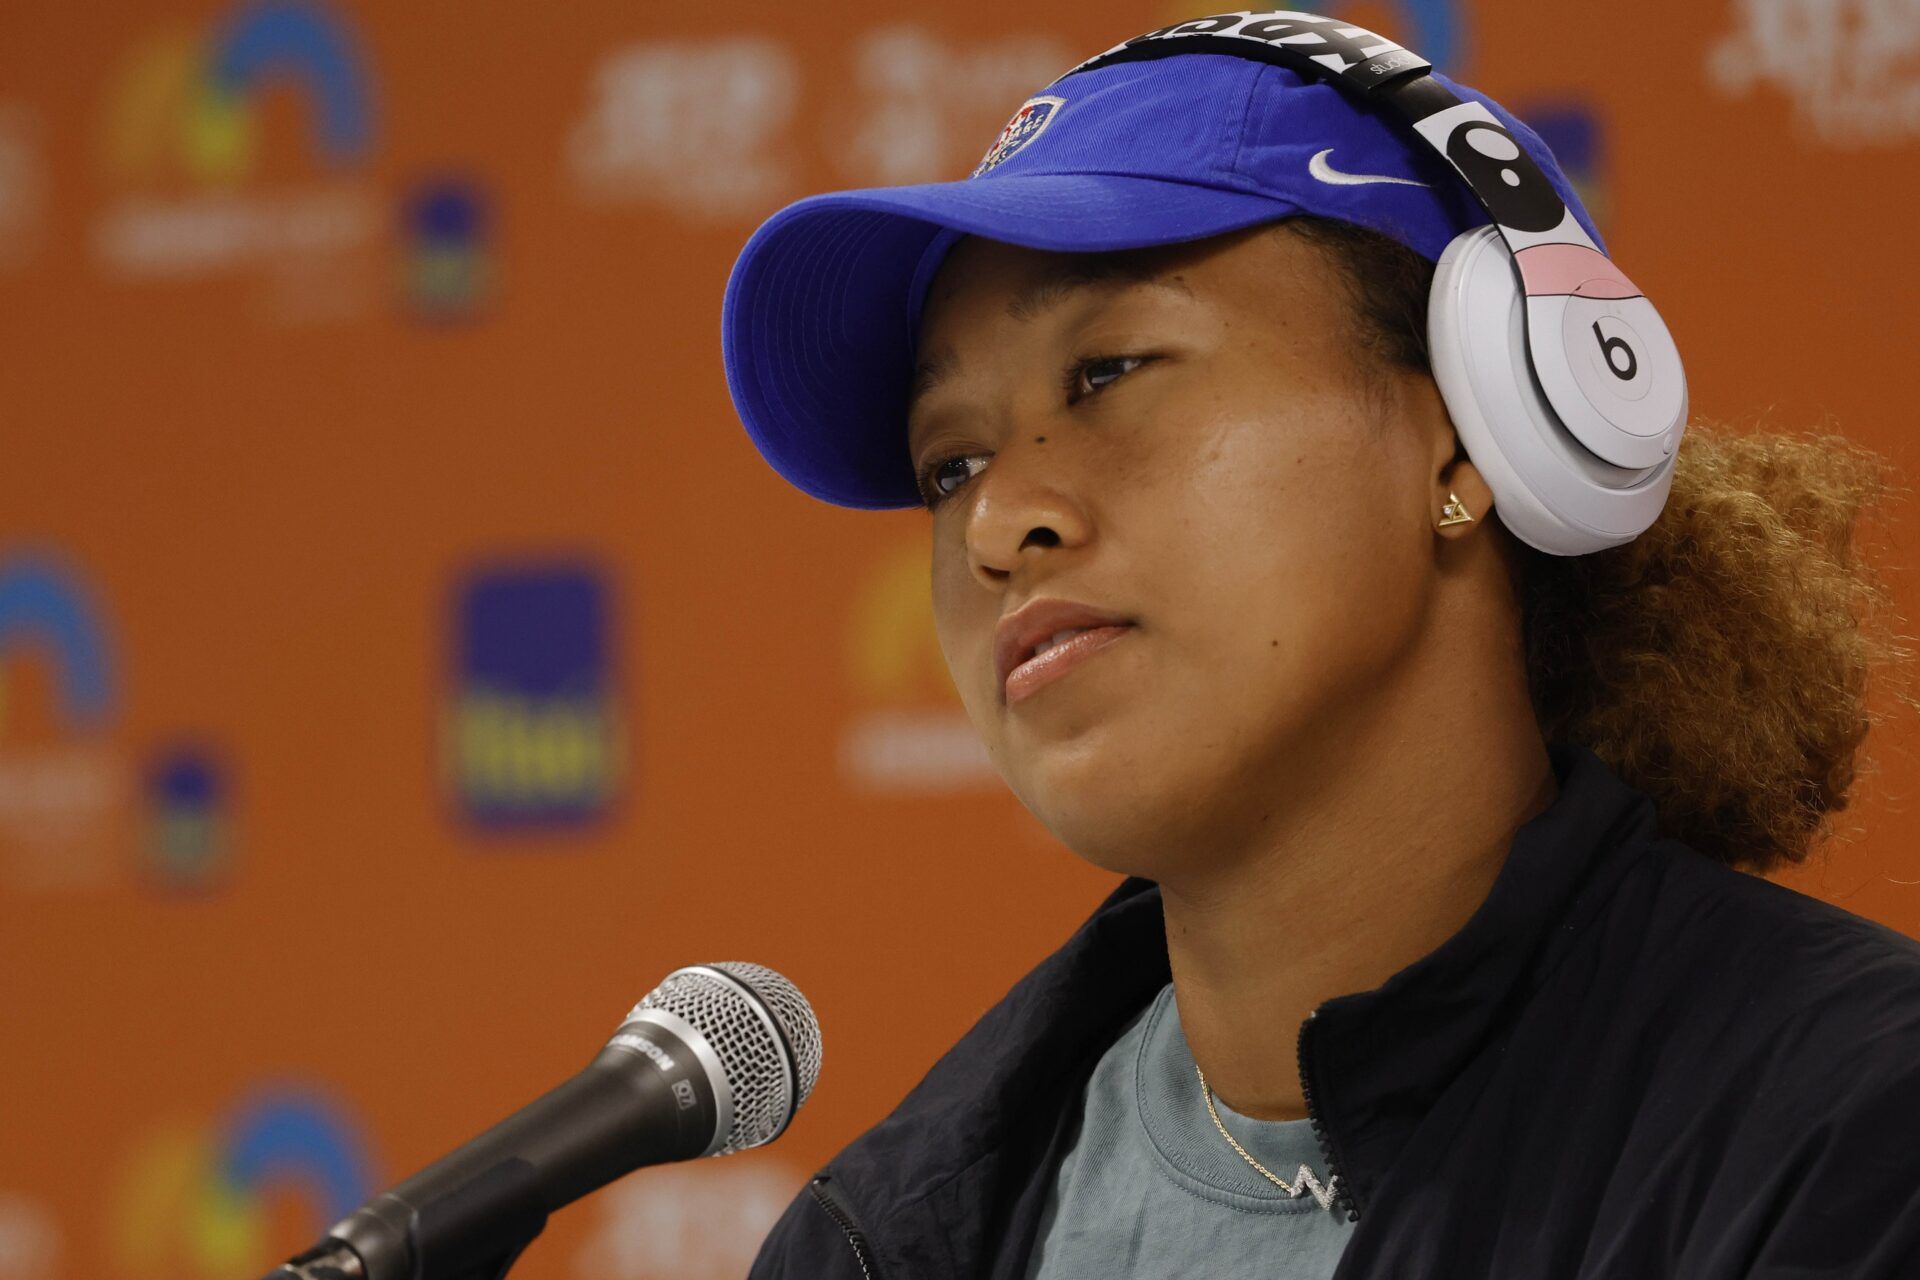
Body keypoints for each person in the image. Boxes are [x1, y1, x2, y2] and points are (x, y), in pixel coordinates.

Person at [720, 14, 1920, 1279]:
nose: (999, 523)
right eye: (948, 463)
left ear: (1476, 423)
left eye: (1107, 371)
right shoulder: (872, 1243)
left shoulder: (1855, 1132)